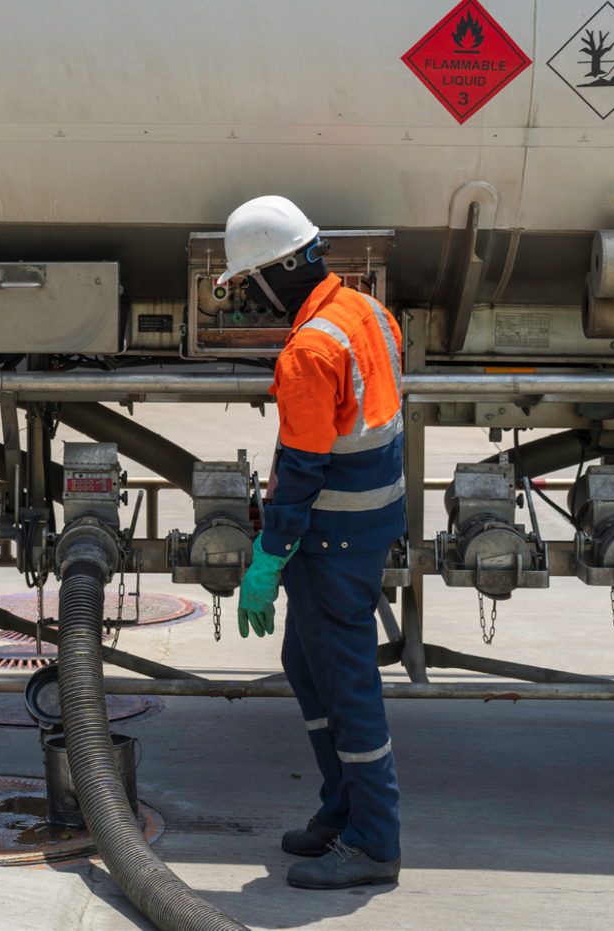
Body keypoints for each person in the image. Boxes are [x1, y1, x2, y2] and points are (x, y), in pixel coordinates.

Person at [225, 196, 405, 890]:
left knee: (345, 683)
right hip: (365, 529)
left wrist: (270, 555)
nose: (250, 298)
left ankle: (374, 842)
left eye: (249, 283)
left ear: (278, 271)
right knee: (306, 662)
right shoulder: (363, 310)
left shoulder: (308, 350)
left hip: (331, 541)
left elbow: (300, 471)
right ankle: (341, 808)